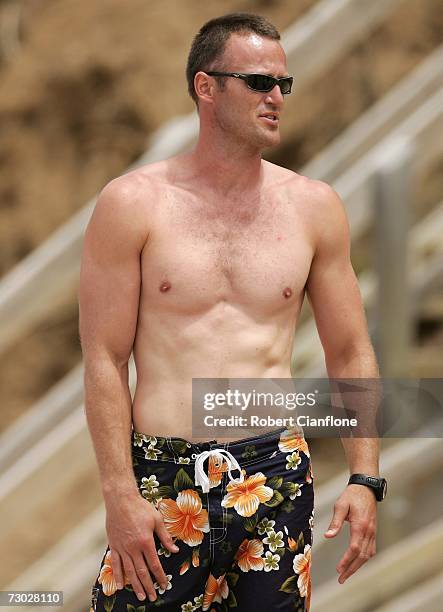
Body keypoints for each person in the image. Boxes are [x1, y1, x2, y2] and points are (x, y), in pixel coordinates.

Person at [79, 13, 384, 612]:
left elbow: (349, 349)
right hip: (164, 478)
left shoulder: (314, 208)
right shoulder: (132, 204)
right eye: (258, 81)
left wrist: (365, 477)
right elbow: (105, 356)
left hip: (273, 473)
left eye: (283, 85)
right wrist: (119, 490)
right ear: (206, 86)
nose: (276, 97)